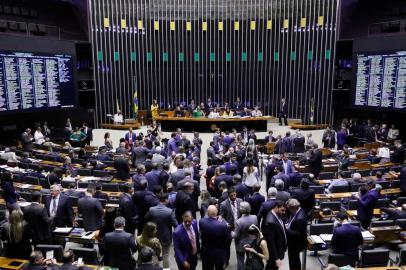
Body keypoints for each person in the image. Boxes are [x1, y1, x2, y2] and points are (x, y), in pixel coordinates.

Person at [145, 193, 178, 268]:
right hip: (166, 237)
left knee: (154, 254)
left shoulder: (151, 209)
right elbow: (175, 225)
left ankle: (155, 268)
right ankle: (166, 269)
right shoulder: (169, 211)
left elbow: (146, 219)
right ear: (166, 200)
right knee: (165, 255)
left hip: (153, 236)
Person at [199, 205, 231, 270]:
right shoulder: (223, 226)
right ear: (217, 212)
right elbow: (228, 240)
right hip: (219, 254)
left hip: (206, 253)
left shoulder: (201, 222)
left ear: (207, 213)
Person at [262, 201, 287, 270]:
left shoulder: (275, 214)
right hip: (275, 254)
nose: (284, 212)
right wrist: (276, 258)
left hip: (278, 250)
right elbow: (271, 242)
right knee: (273, 267)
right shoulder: (271, 222)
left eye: (285, 210)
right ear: (276, 208)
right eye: (282, 210)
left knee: (269, 266)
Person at [233, 202, 258, 270]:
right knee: (250, 258)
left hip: (241, 245)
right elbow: (256, 230)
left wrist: (230, 233)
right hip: (252, 242)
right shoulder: (255, 217)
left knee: (240, 260)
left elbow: (235, 235)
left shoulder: (239, 222)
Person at [286, 199, 307, 270]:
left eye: (289, 209)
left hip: (295, 244)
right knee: (295, 259)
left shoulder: (299, 219)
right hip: (295, 242)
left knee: (294, 261)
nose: (289, 211)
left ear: (293, 208)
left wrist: (287, 230)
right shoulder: (300, 210)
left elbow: (298, 234)